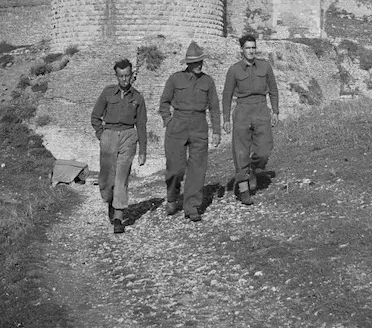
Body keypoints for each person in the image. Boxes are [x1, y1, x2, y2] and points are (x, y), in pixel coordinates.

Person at [159, 41, 221, 222]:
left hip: (199, 125)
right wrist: (168, 121)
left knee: (197, 168)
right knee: (175, 168)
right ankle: (172, 196)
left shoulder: (208, 81)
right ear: (188, 63)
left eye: (200, 61)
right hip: (177, 125)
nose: (199, 65)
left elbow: (214, 108)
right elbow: (164, 102)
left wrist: (216, 130)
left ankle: (192, 206)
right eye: (195, 62)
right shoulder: (175, 79)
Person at [91, 58, 147, 234]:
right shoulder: (107, 93)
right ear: (116, 76)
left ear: (132, 75)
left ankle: (118, 217)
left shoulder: (138, 97)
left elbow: (142, 125)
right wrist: (102, 136)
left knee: (121, 178)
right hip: (109, 136)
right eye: (121, 76)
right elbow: (95, 117)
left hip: (129, 137)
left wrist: (143, 151)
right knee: (106, 180)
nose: (124, 79)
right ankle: (110, 201)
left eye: (127, 75)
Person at [222, 34, 279, 205]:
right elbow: (226, 95)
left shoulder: (265, 66)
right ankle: (244, 189)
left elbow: (273, 90)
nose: (251, 51)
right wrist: (226, 118)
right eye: (248, 48)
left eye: (253, 48)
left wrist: (275, 111)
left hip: (261, 109)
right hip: (242, 111)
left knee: (265, 149)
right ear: (242, 50)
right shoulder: (234, 70)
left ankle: (253, 169)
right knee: (241, 151)